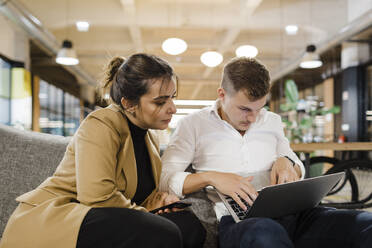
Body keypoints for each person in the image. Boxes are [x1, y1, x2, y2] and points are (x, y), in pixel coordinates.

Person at [160, 57, 372, 248]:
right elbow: (165, 178)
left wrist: (287, 162)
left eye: (259, 108)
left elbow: (295, 162)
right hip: (240, 222)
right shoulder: (193, 125)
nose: (252, 118)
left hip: (294, 214)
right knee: (265, 235)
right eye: (244, 109)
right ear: (222, 94)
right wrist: (212, 177)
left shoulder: (272, 121)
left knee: (364, 223)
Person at [0, 53, 206, 248]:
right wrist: (146, 212)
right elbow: (98, 197)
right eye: (160, 101)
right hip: (61, 217)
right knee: (162, 231)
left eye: (172, 97)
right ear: (129, 103)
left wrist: (160, 201)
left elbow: (137, 194)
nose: (172, 108)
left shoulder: (148, 137)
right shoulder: (101, 123)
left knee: (189, 226)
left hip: (105, 217)